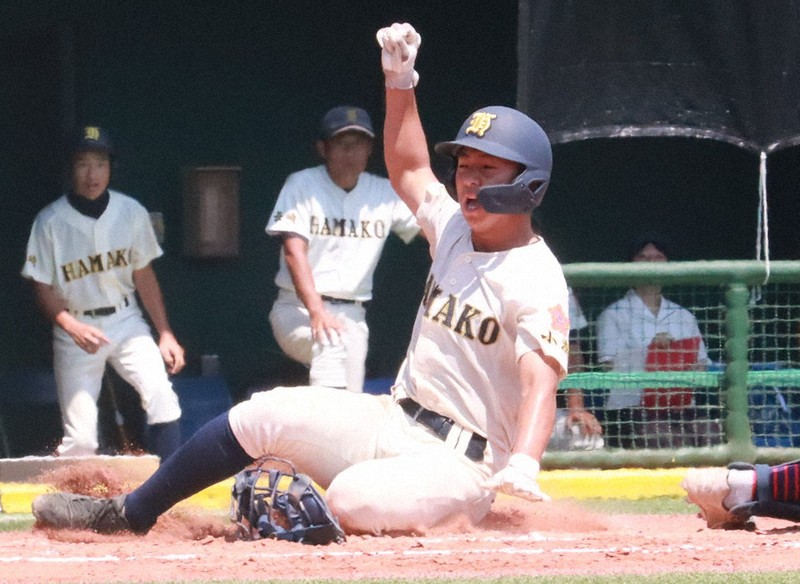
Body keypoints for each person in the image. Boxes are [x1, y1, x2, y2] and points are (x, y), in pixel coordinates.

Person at [30, 22, 569, 537]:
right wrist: (400, 82)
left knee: (353, 499)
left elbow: (538, 380)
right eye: (465, 167)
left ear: (529, 183)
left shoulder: (535, 275)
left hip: (462, 461)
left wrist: (524, 459)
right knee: (260, 414)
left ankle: (320, 531)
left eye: (486, 170)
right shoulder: (454, 226)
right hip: (391, 418)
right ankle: (130, 513)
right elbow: (408, 168)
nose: (468, 181)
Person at [20, 126, 185, 460]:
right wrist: (70, 326)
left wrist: (165, 333)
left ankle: (172, 487)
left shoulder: (131, 212)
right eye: (83, 163)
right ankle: (71, 505)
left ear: (110, 168)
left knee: (163, 400)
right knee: (81, 442)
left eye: (100, 163)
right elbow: (41, 285)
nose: (92, 173)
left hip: (126, 319)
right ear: (71, 169)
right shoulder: (50, 221)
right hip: (76, 325)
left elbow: (144, 275)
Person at [266, 105, 420, 393]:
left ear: (369, 149)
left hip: (354, 314)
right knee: (330, 348)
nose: (351, 153)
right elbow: (293, 251)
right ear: (323, 148)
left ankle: (313, 435)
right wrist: (316, 311)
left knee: (351, 401)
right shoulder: (302, 184)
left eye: (359, 144)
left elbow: (432, 228)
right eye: (341, 144)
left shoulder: (383, 193)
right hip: (296, 307)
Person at [595, 233, 718, 448]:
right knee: (667, 438)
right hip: (632, 410)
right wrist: (651, 351)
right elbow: (608, 367)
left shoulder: (684, 316)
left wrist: (681, 361)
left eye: (658, 257)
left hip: (681, 407)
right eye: (643, 257)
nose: (651, 262)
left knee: (711, 432)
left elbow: (702, 367)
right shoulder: (613, 314)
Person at [548, 288, 604, 450]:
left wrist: (576, 407)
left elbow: (572, 349)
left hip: (546, 410)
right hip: (496, 413)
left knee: (586, 438)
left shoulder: (556, 284)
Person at [683, 459, 800, 529]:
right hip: (729, 496)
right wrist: (758, 507)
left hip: (731, 480)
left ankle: (736, 512)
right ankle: (736, 513)